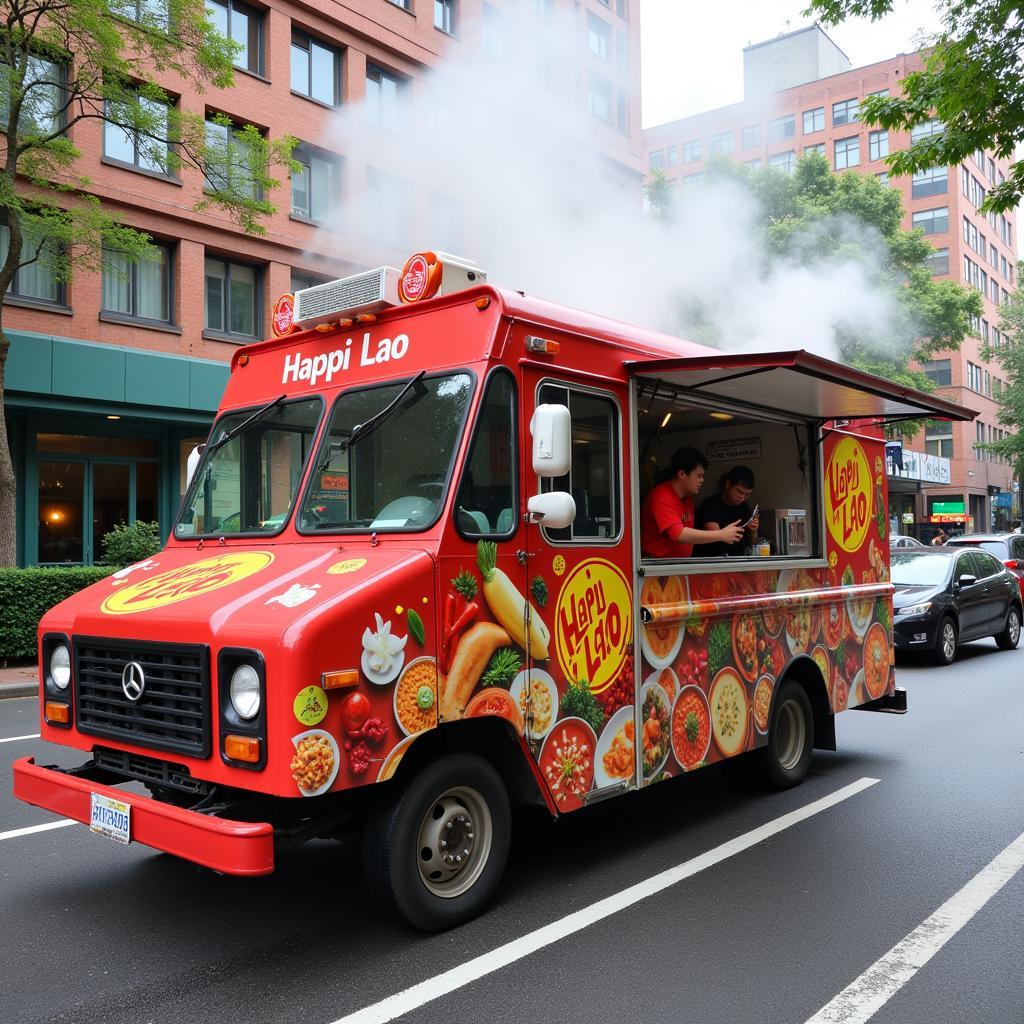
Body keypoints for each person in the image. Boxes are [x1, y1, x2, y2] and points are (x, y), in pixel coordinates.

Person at [640, 447, 745, 558]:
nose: (702, 480)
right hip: (657, 567)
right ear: (682, 474)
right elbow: (678, 534)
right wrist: (721, 534)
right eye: (699, 476)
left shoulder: (687, 497)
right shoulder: (661, 496)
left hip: (678, 566)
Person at [694, 465, 760, 557]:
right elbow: (715, 537)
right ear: (728, 483)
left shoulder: (744, 507)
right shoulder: (710, 504)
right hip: (713, 561)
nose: (742, 498)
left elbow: (753, 542)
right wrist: (726, 533)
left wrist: (753, 530)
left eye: (747, 495)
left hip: (737, 561)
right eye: (739, 492)